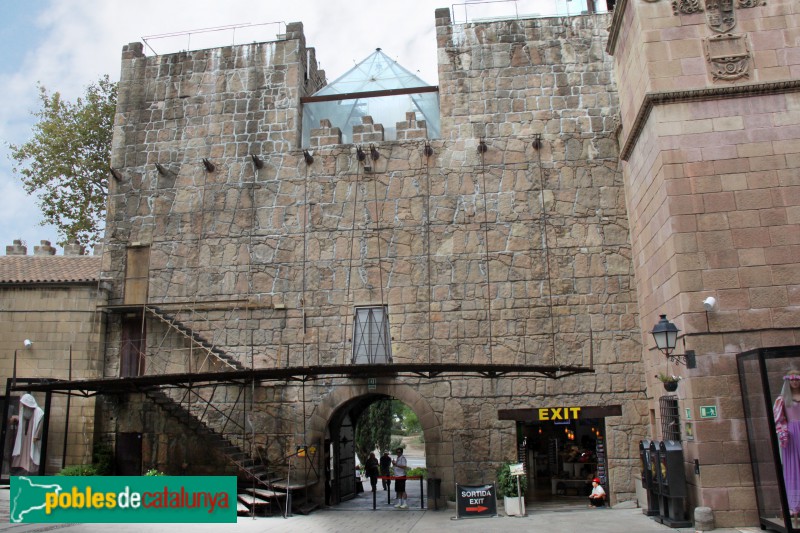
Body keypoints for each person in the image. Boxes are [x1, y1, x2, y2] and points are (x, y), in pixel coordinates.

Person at [774, 370, 800, 520]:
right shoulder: (782, 399)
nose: (795, 382)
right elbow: (779, 418)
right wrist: (782, 432)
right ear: (788, 382)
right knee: (792, 467)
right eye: (792, 380)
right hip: (791, 433)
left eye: (797, 379)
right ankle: (794, 505)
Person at [11, 394, 45, 475]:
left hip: (32, 437)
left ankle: (29, 470)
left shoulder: (39, 412)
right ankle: (20, 469)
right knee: (21, 452)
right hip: (23, 437)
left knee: (31, 452)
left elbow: (41, 424)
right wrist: (16, 419)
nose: (23, 405)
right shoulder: (23, 410)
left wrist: (37, 435)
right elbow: (22, 420)